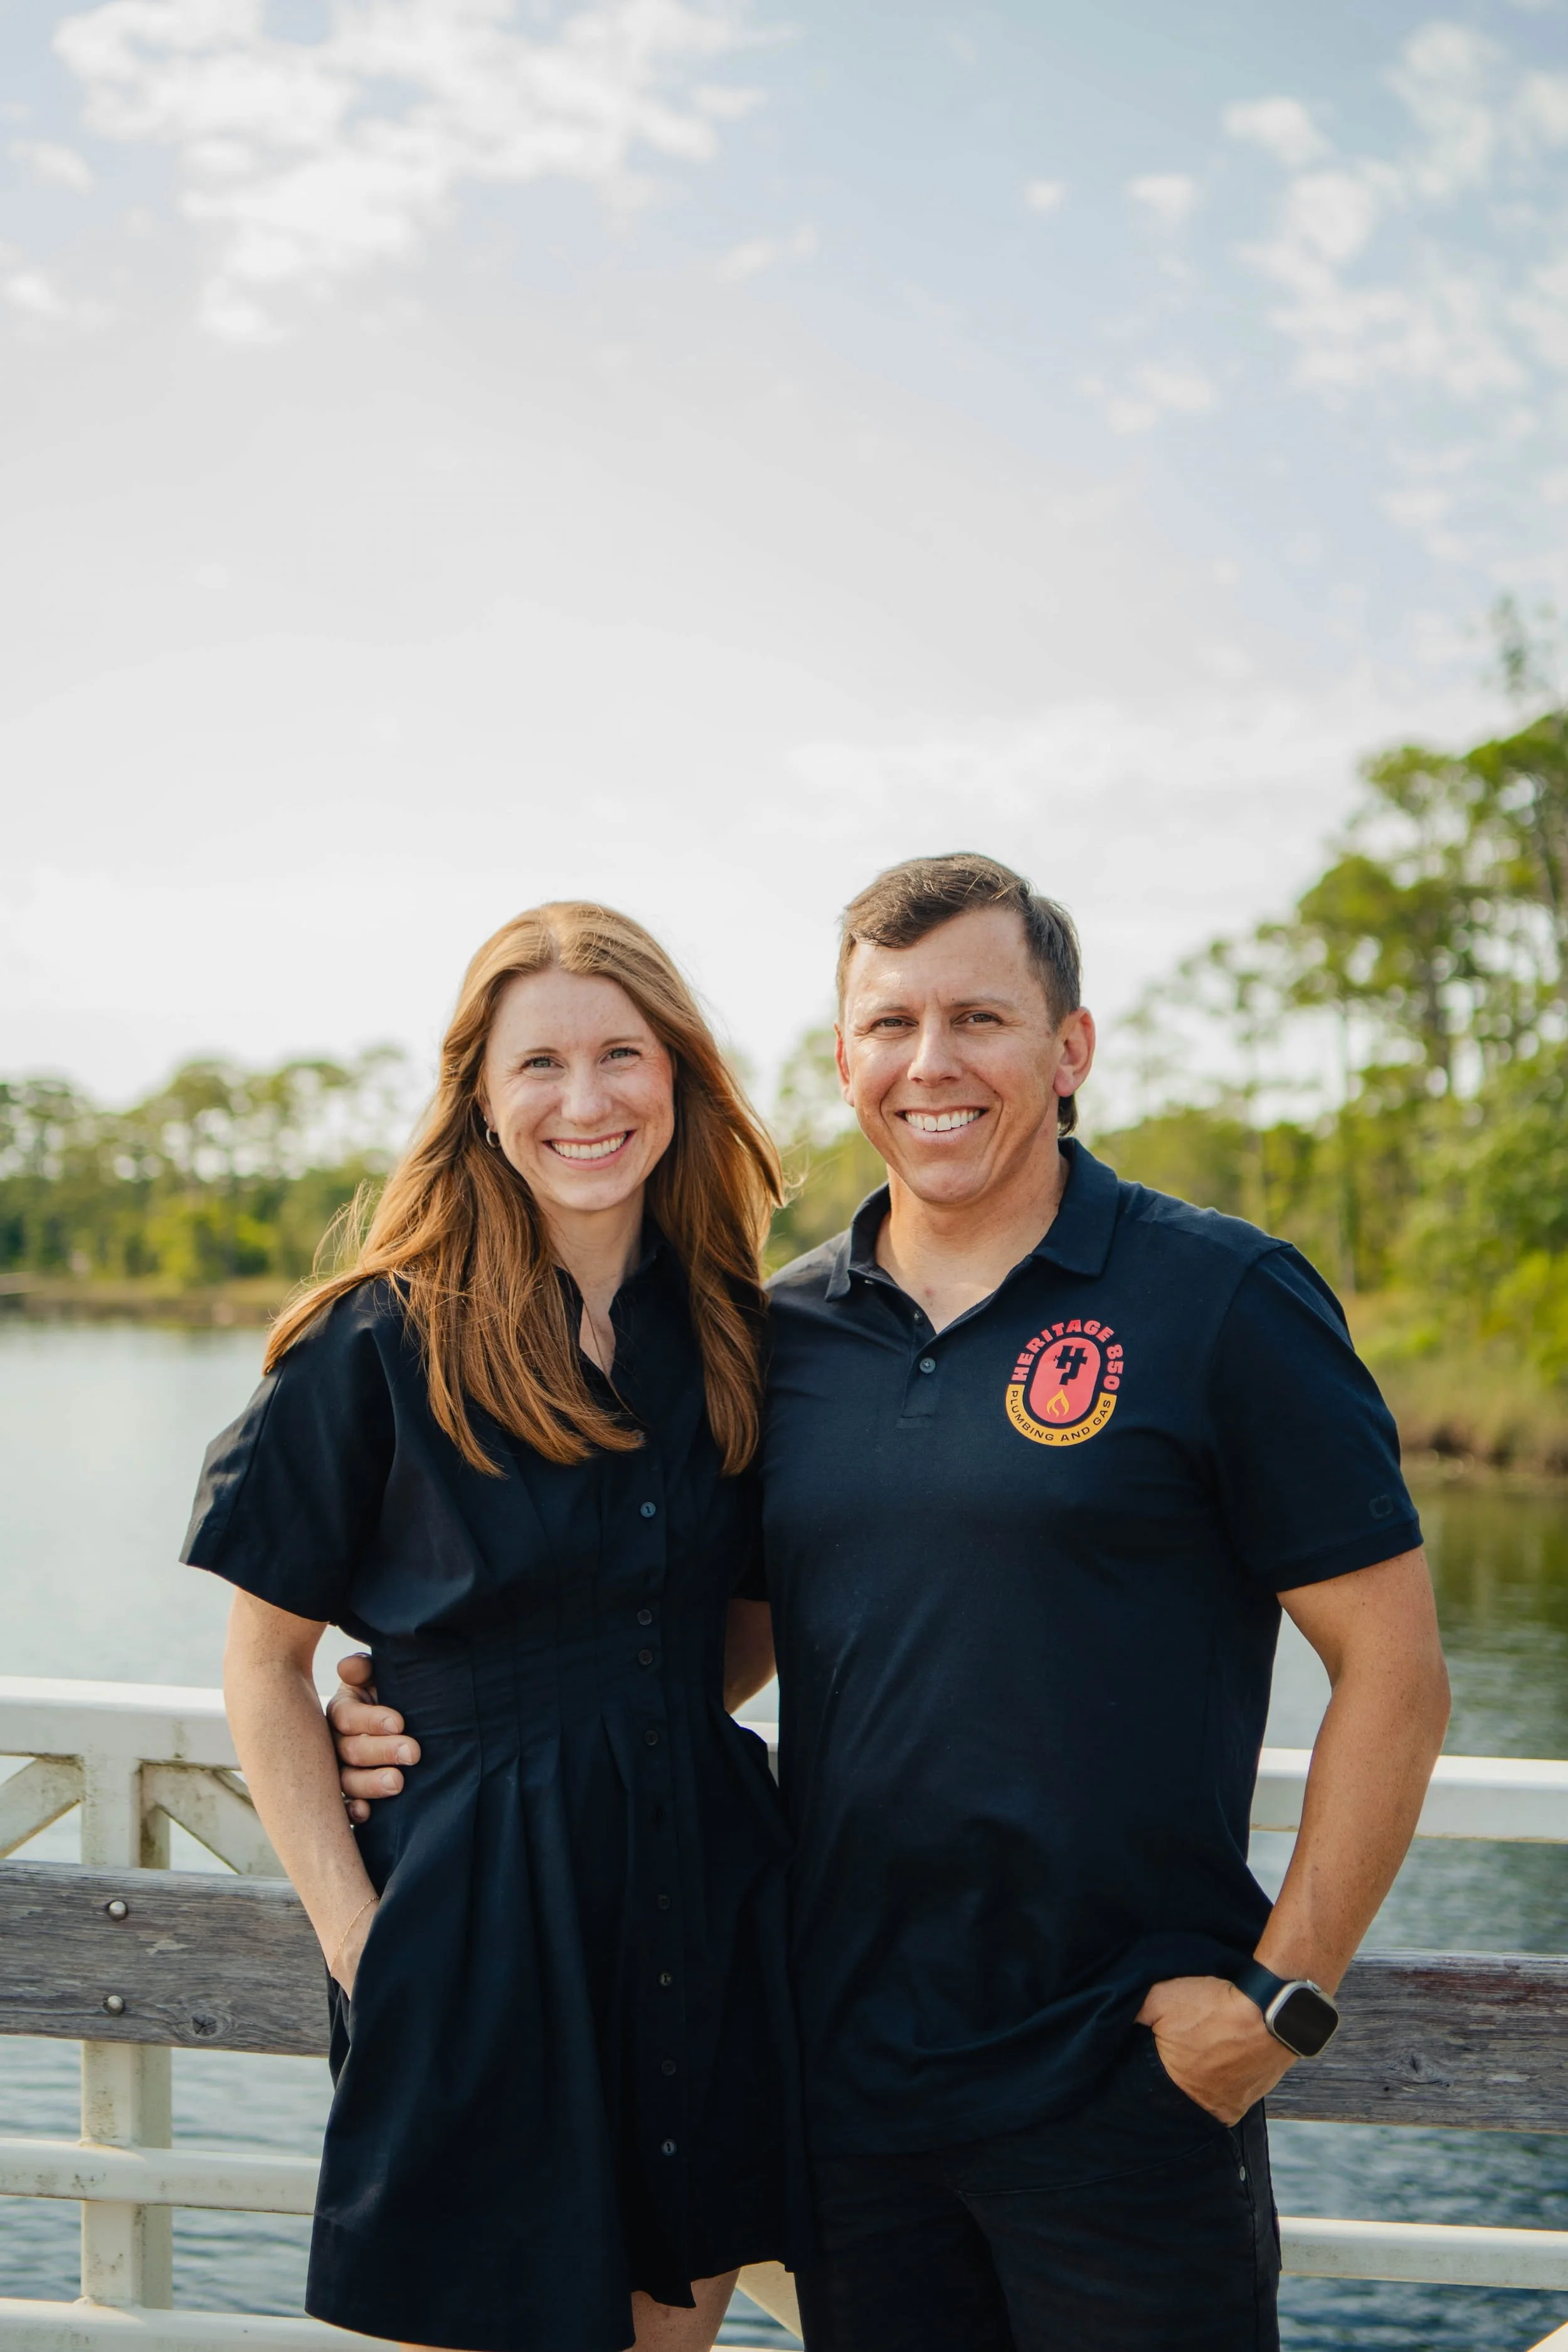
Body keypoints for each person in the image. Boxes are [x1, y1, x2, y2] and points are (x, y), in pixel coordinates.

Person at [334, 854, 1451, 2352]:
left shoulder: (1219, 1302)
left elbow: (1393, 1673)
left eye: (979, 1018)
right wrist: (441, 1718)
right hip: (842, 2082)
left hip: (1122, 2077)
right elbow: (695, 1643)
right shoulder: (771, 1335)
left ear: (1069, 1050)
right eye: (887, 1025)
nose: (929, 1065)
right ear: (847, 1057)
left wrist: (1274, 2004)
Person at [184, 903, 800, 2352]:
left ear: (679, 1077)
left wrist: (606, 1708)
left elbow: (745, 1619)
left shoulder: (734, 1336)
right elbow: (266, 1667)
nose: (582, 1102)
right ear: (478, 1093)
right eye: (538, 1065)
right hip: (463, 1931)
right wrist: (360, 1938)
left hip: (698, 1907)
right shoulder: (374, 1341)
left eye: (619, 1056)